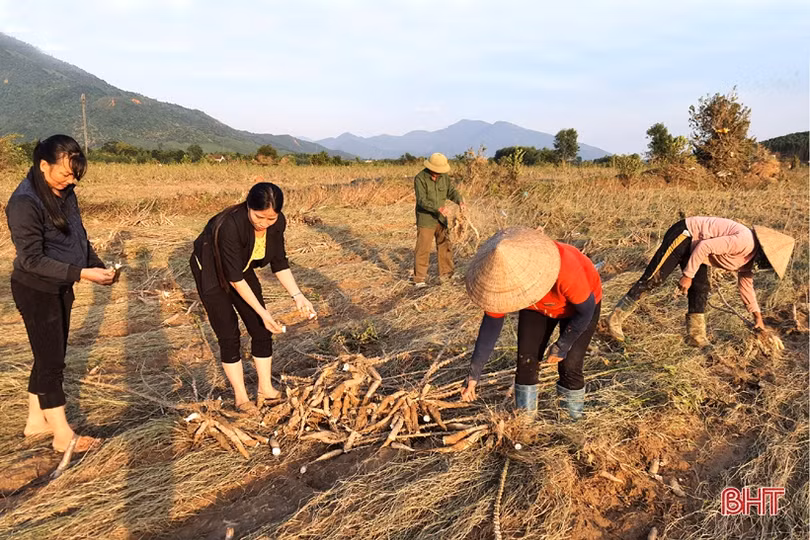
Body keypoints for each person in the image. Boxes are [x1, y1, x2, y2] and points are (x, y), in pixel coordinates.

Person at [6, 135, 114, 453]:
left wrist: (95, 264)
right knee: (53, 362)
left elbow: (78, 236)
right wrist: (81, 273)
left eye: (74, 175)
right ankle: (63, 436)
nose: (70, 180)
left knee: (46, 356)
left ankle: (36, 422)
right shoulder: (24, 202)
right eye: (65, 173)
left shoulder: (65, 194)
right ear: (43, 165)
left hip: (60, 286)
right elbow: (31, 259)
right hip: (35, 289)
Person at [190, 182, 315, 413]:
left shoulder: (278, 223)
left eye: (271, 219)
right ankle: (241, 398)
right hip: (210, 268)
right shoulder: (230, 225)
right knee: (229, 333)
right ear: (248, 206)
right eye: (259, 217)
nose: (264, 223)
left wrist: (298, 296)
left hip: (240, 265)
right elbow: (235, 279)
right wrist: (264, 313)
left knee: (261, 329)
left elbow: (279, 262)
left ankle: (265, 390)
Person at [460, 227, 602, 420]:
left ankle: (572, 422)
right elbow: (490, 328)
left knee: (570, 365)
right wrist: (473, 375)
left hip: (580, 309)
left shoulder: (567, 268)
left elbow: (586, 311)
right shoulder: (504, 281)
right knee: (526, 361)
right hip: (536, 309)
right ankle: (525, 422)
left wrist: (562, 345)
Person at [607, 216, 795, 346]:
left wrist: (758, 318)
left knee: (701, 288)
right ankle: (615, 319)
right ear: (765, 252)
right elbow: (705, 246)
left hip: (697, 248)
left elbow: (746, 286)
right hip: (686, 234)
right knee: (654, 278)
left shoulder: (749, 261)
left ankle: (696, 337)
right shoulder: (745, 242)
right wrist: (687, 275)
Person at [413, 153, 465, 287]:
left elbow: (451, 191)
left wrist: (459, 200)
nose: (438, 173)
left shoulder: (444, 178)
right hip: (426, 219)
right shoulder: (420, 178)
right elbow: (421, 200)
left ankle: (446, 276)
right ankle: (419, 279)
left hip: (441, 219)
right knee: (423, 248)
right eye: (436, 171)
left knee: (445, 245)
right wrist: (438, 208)